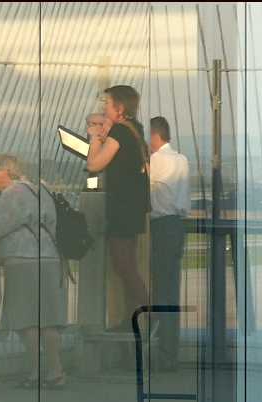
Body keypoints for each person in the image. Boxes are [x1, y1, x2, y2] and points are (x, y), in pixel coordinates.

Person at [0, 153, 68, 390]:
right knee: (47, 319)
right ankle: (56, 371)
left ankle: (37, 373)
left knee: (24, 319)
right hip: (49, 257)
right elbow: (20, 219)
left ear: (4, 172)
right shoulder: (41, 188)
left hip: (22, 260)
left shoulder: (12, 194)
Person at [85, 85, 150, 333]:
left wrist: (94, 136)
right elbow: (93, 117)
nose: (103, 107)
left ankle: (147, 313)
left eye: (107, 103)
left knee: (124, 266)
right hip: (131, 208)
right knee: (127, 266)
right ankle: (129, 317)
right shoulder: (134, 128)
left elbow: (94, 164)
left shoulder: (120, 133)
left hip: (121, 209)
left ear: (119, 108)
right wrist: (104, 123)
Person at [149, 116, 191, 371]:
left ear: (154, 136)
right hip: (177, 226)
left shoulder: (155, 161)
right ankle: (169, 353)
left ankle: (161, 354)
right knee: (171, 291)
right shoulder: (182, 160)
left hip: (159, 226)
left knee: (159, 291)